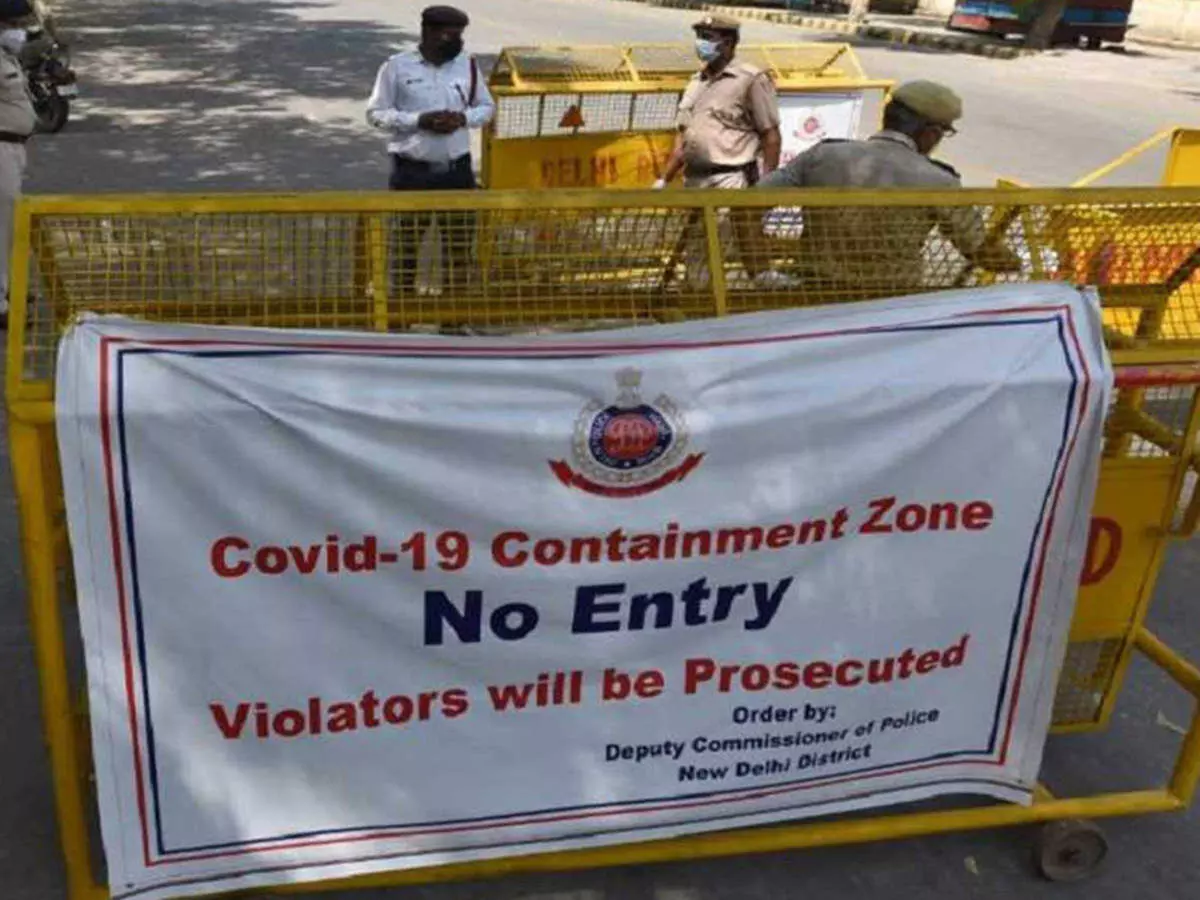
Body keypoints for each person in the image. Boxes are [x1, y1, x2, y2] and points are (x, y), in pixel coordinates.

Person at [754, 80, 1019, 294]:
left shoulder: (824, 155)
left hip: (813, 292)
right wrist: (1016, 263)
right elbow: (980, 252)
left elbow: (747, 204)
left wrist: (760, 271)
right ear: (931, 134)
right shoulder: (939, 181)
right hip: (891, 302)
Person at [366, 5, 495, 292]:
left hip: (457, 172)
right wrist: (418, 121)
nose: (457, 43)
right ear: (427, 33)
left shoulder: (467, 65)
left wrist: (462, 118)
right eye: (450, 36)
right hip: (412, 173)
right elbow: (376, 113)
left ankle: (454, 313)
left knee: (459, 249)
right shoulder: (396, 67)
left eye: (460, 36)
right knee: (405, 247)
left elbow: (487, 107)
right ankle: (402, 311)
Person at [657, 15, 781, 190]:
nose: (700, 43)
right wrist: (664, 180)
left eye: (707, 37)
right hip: (694, 179)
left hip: (731, 179)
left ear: (728, 43)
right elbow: (683, 139)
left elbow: (770, 136)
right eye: (699, 36)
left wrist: (767, 185)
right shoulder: (696, 82)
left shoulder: (749, 80)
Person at [0, 0, 35, 330]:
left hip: (13, 148)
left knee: (9, 224)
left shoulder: (6, 56)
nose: (19, 30)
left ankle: (9, 288)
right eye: (14, 24)